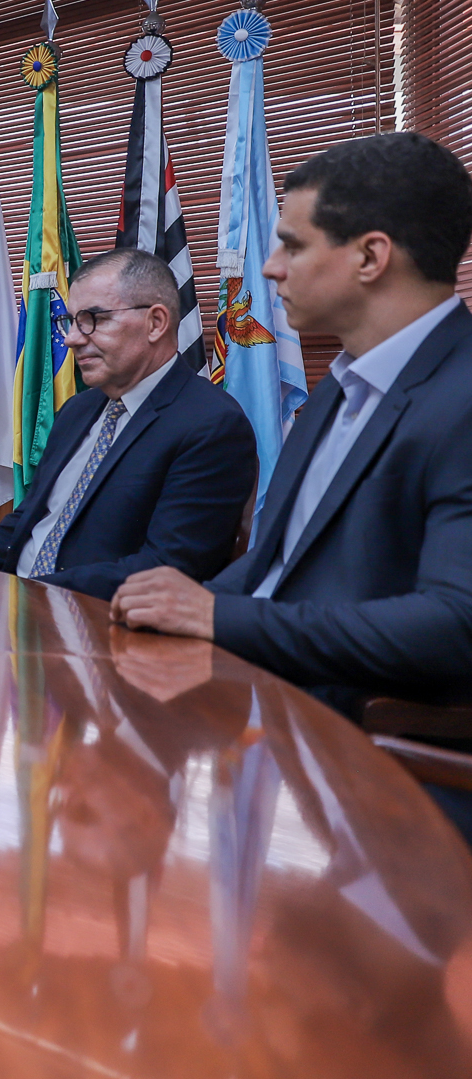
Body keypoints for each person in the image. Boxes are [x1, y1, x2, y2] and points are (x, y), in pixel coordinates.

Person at [112, 132, 472, 711]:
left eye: (292, 246)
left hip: (370, 754)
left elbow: (455, 625)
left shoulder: (463, 396)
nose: (271, 269)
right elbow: (276, 565)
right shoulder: (336, 390)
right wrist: (171, 610)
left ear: (371, 257)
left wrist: (216, 616)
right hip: (255, 704)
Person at [0, 248, 258, 600]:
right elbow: (27, 522)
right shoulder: (77, 410)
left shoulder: (212, 425)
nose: (71, 338)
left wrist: (28, 595)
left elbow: (167, 569)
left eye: (92, 319)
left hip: (100, 630)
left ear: (156, 323)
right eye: (69, 321)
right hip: (16, 613)